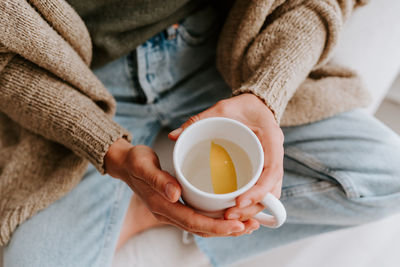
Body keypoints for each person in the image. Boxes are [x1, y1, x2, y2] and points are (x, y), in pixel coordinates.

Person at [1, 0, 400, 266]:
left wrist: (267, 91)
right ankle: (170, 206)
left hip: (219, 50)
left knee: (390, 175)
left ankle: (155, 214)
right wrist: (113, 153)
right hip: (81, 80)